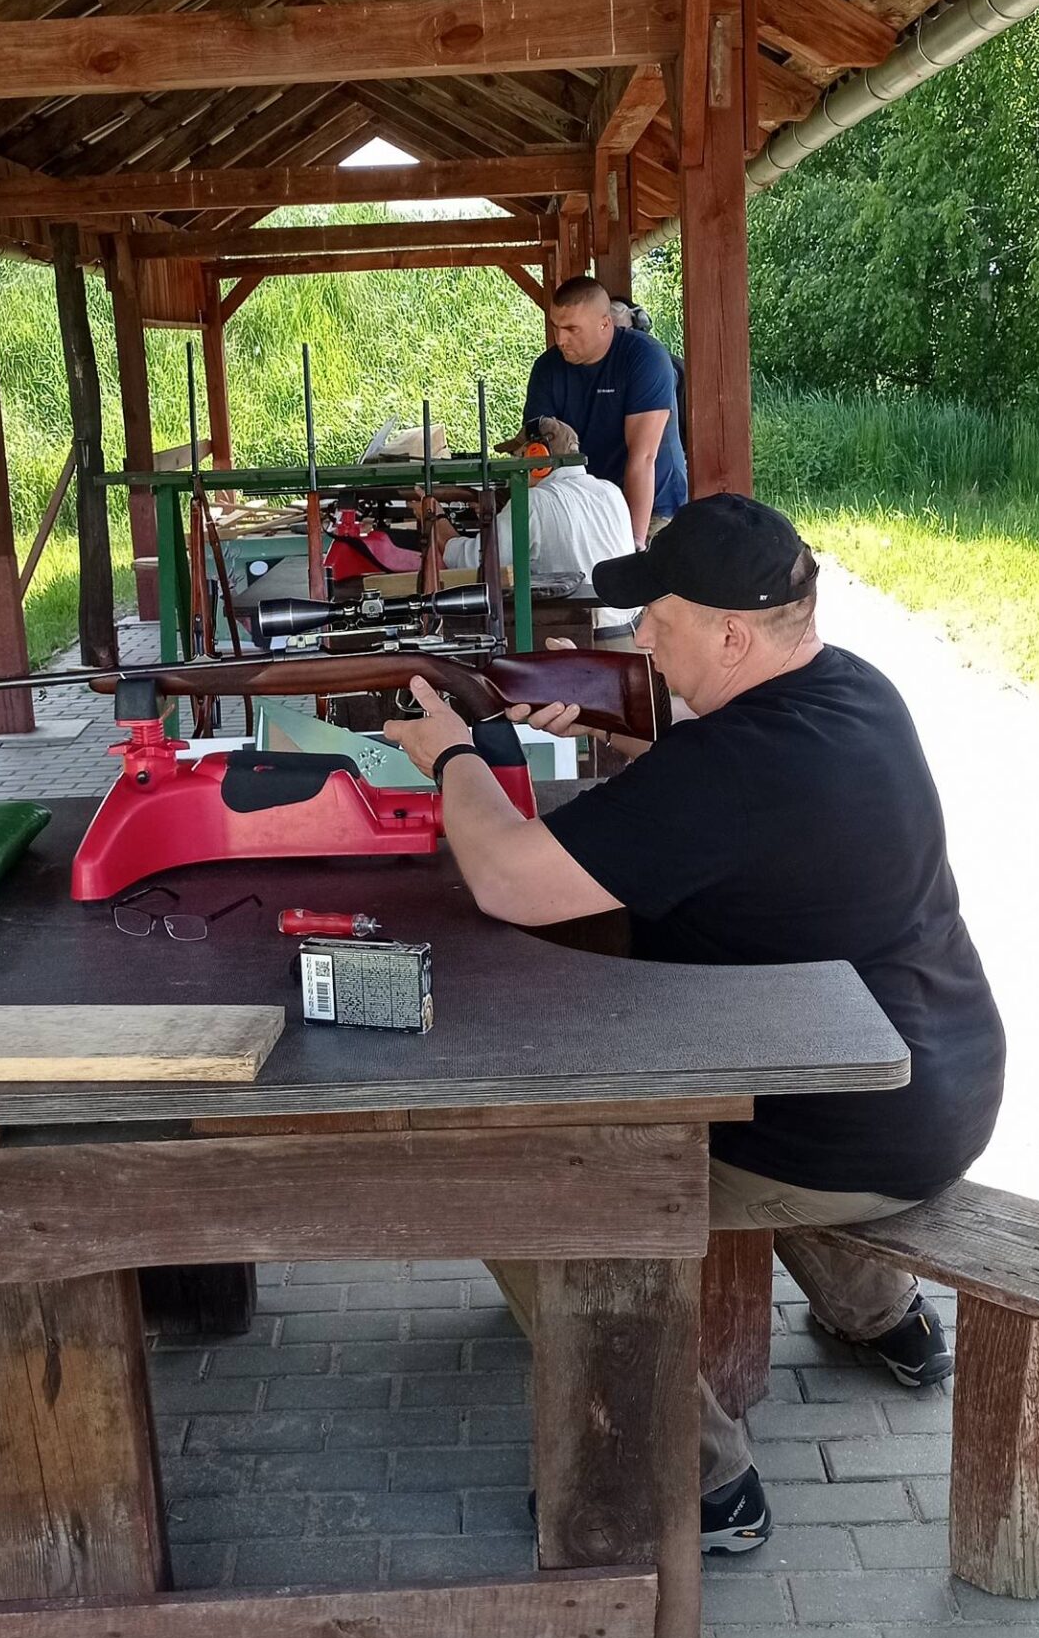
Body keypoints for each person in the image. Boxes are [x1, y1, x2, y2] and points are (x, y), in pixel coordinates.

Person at [384, 494, 1006, 1555]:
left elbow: (508, 879)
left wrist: (454, 757)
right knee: (763, 1082)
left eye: (658, 619)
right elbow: (730, 800)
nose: (638, 637)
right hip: (937, 1079)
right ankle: (880, 1313)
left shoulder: (732, 768)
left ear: (729, 636)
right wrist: (619, 730)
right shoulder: (855, 690)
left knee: (520, 1177)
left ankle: (699, 1478)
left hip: (840, 1130)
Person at [425, 417, 638, 631]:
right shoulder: (610, 491)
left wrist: (436, 519)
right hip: (627, 629)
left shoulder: (533, 501)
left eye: (519, 456)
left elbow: (474, 562)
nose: (515, 466)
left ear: (537, 456)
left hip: (576, 635)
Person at [525, 275, 687, 541]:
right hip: (585, 508)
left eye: (572, 329)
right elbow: (540, 456)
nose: (561, 339)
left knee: (640, 565)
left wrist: (634, 544)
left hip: (653, 510)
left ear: (604, 323)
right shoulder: (547, 369)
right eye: (556, 327)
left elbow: (643, 457)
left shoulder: (645, 358)